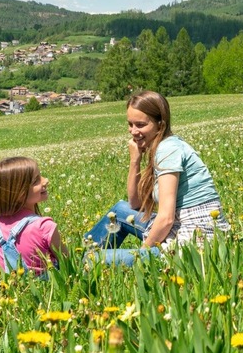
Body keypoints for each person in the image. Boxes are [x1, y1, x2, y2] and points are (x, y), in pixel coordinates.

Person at [85, 90, 228, 265]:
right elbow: (134, 204)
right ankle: (85, 260)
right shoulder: (164, 145)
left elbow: (166, 218)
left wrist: (142, 254)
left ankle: (82, 266)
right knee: (119, 210)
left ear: (160, 125)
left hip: (196, 240)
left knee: (92, 260)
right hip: (179, 224)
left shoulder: (168, 150)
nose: (133, 131)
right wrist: (135, 160)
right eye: (130, 124)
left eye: (140, 125)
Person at [0, 156, 64, 276]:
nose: (45, 181)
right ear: (19, 193)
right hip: (45, 289)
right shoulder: (44, 226)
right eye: (36, 181)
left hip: (3, 288)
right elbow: (67, 262)